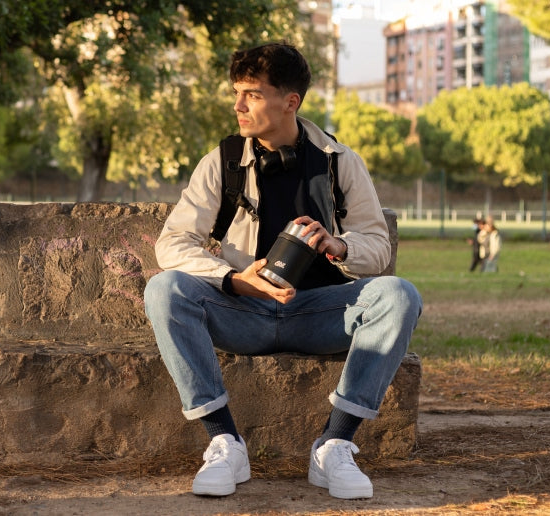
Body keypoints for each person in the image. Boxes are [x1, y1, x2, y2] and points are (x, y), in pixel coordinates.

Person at [143, 43, 422, 500]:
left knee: (399, 296)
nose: (237, 106)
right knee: (164, 290)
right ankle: (224, 441)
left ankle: (335, 444)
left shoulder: (339, 161)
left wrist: (338, 244)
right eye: (236, 93)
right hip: (242, 311)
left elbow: (376, 247)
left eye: (251, 94)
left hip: (321, 313)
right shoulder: (223, 162)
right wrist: (235, 280)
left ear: (290, 101)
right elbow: (172, 243)